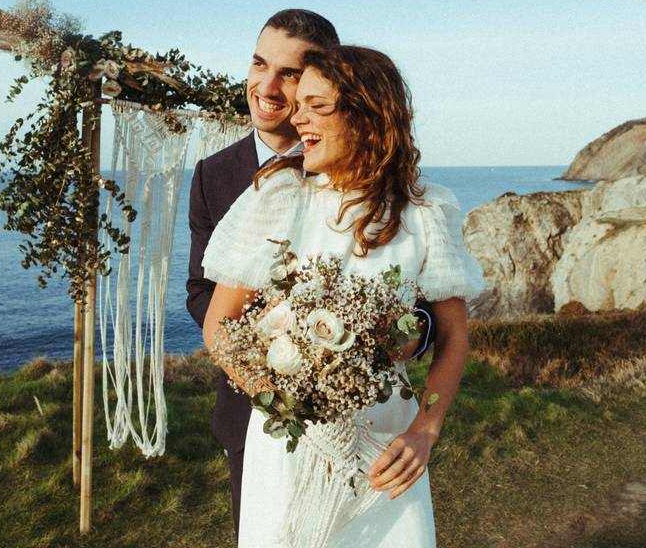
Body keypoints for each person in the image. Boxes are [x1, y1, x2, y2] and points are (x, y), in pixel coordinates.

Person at [201, 45, 478, 547]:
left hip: (385, 447)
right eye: (298, 103)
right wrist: (290, 408)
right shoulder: (278, 197)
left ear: (367, 114)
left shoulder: (426, 211)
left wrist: (425, 430)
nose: (298, 116)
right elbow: (219, 325)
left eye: (317, 105)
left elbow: (454, 338)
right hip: (288, 446)